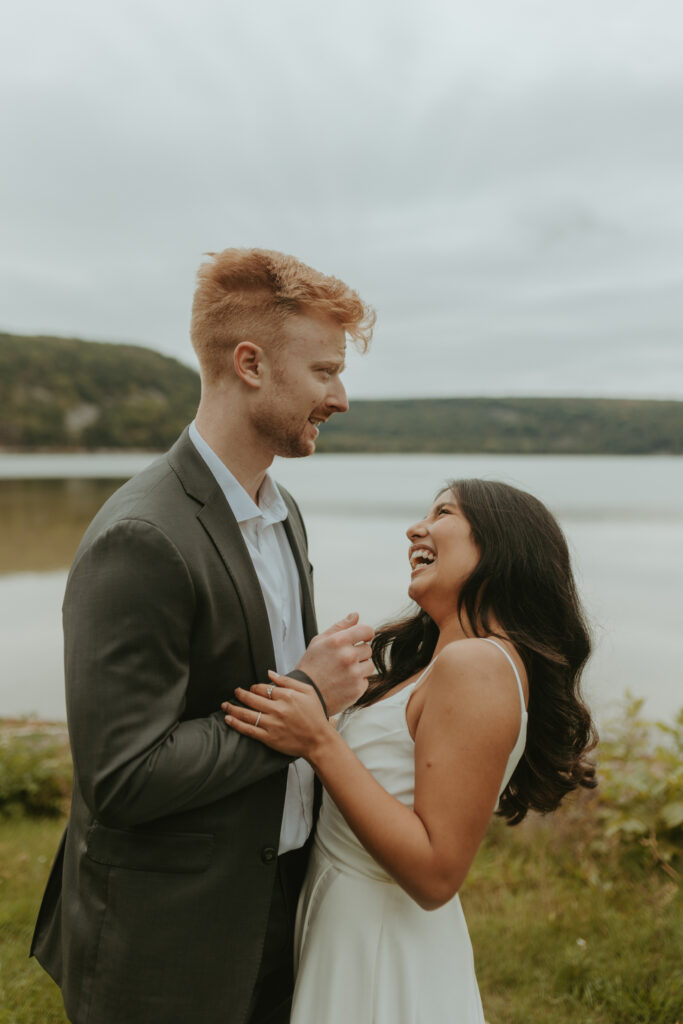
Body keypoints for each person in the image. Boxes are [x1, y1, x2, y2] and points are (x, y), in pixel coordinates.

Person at [31, 248, 376, 1024]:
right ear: (250, 364)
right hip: (167, 941)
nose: (341, 397)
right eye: (323, 371)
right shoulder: (142, 537)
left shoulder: (283, 513)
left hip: (278, 908)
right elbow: (121, 779)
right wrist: (306, 701)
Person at [224, 478, 598, 1024]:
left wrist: (319, 740)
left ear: (500, 546)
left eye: (443, 512)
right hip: (346, 923)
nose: (414, 529)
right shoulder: (436, 664)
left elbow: (436, 875)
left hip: (382, 943)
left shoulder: (478, 666)